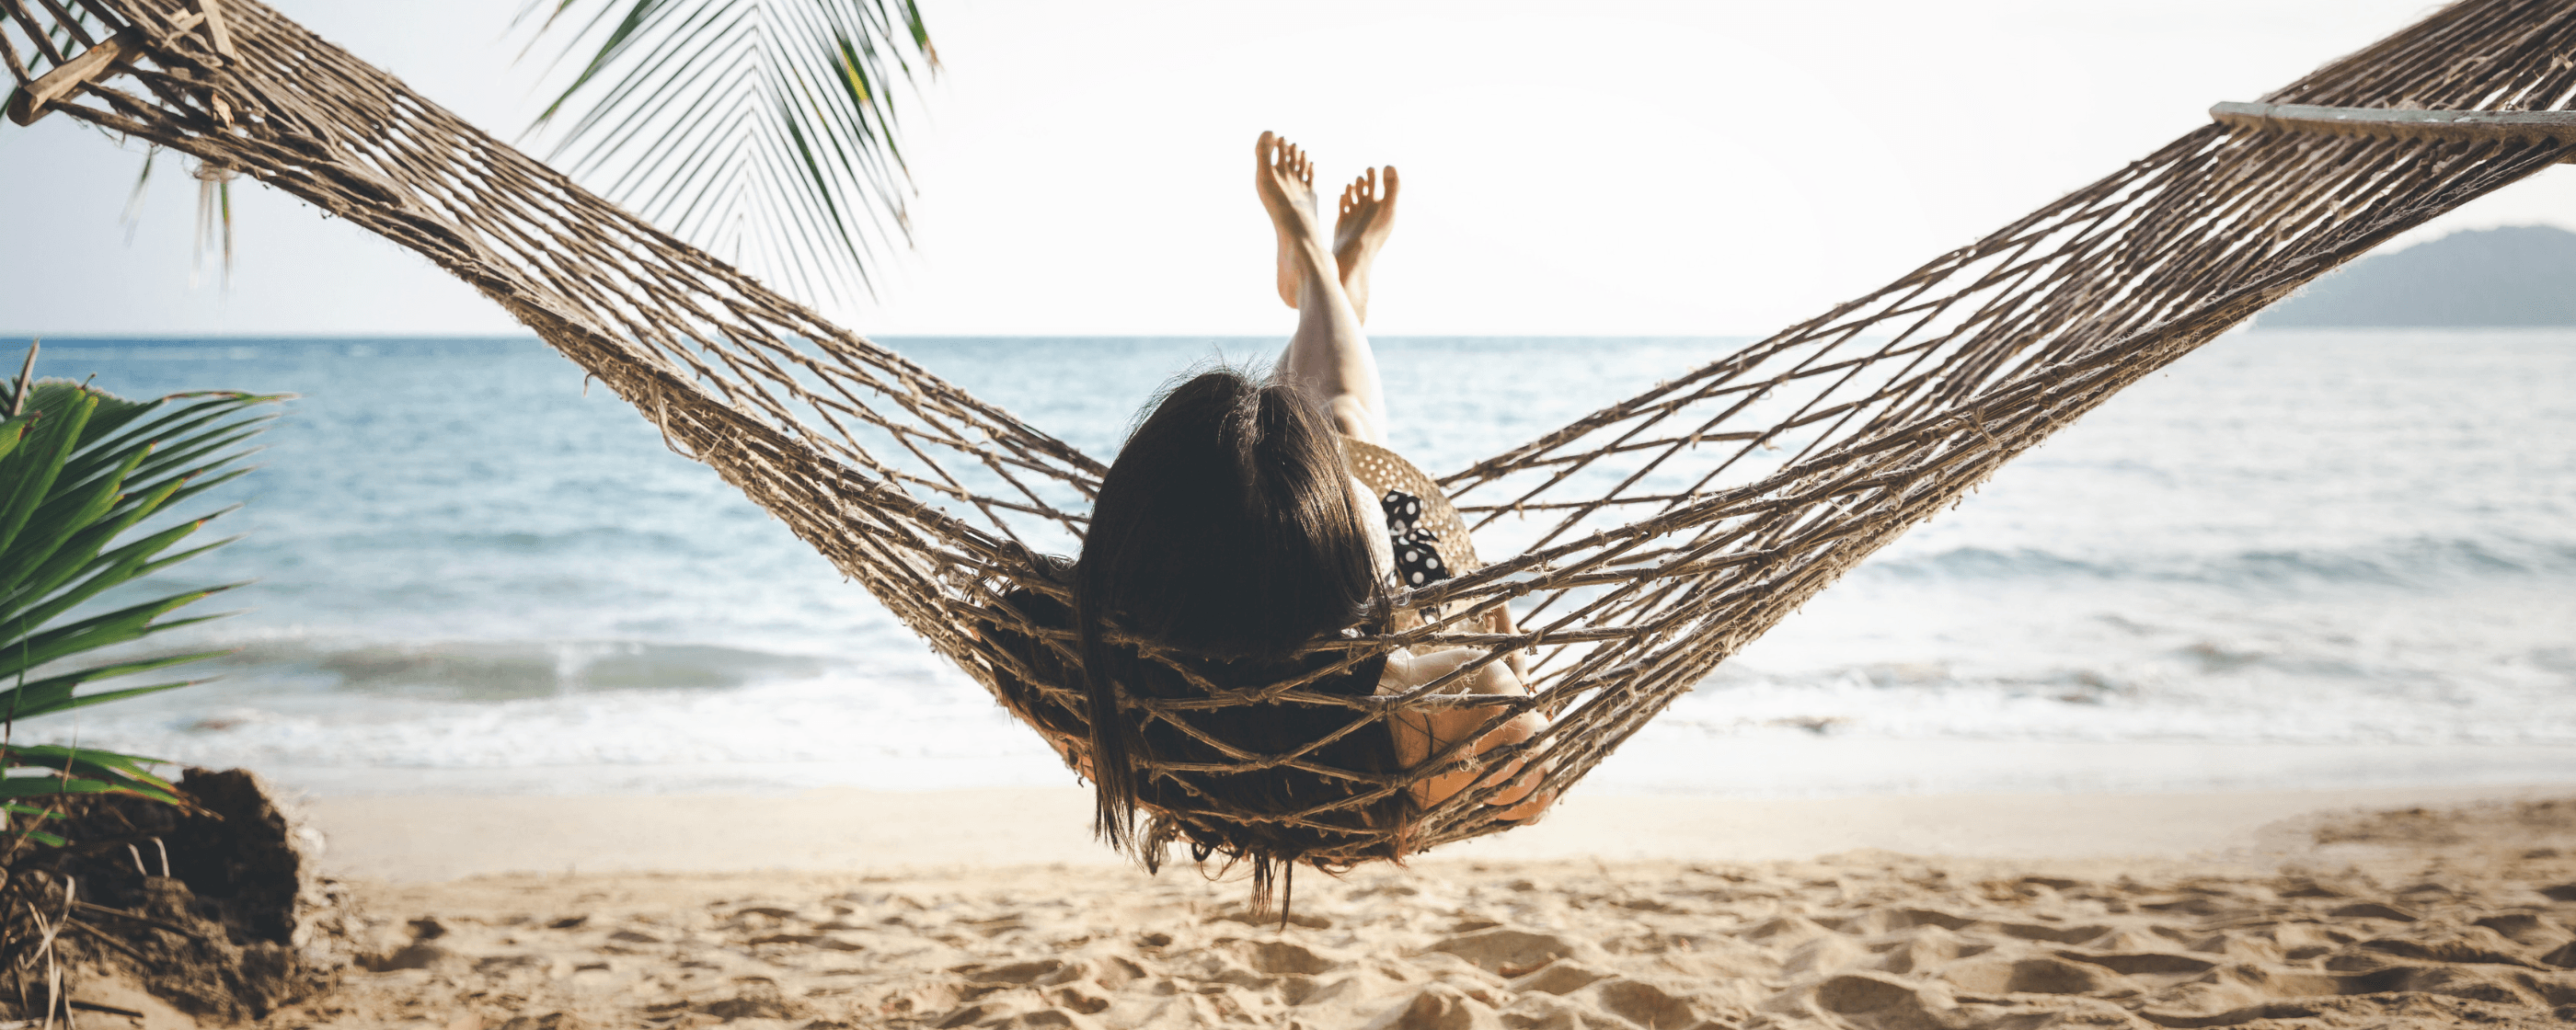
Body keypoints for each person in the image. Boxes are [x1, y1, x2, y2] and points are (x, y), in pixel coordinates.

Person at [980, 133, 1552, 901]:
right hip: (1403, 615)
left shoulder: (1085, 669)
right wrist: (1495, 637)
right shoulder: (1434, 700)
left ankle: (1325, 276)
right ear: (1349, 572)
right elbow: (1527, 764)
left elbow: (1004, 622)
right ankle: (1319, 265)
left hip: (1205, 676)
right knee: (1344, 420)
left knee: (1294, 444)